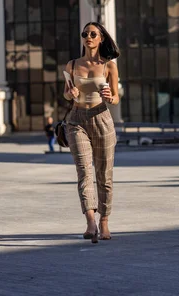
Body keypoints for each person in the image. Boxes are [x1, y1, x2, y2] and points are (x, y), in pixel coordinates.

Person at [64, 21, 119, 243]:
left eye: (93, 33)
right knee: (84, 172)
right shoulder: (72, 65)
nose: (88, 36)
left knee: (104, 174)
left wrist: (109, 97)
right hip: (77, 120)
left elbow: (115, 98)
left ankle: (104, 221)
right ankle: (90, 221)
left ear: (101, 38)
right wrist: (71, 92)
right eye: (85, 33)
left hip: (102, 118)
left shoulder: (109, 66)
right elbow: (66, 95)